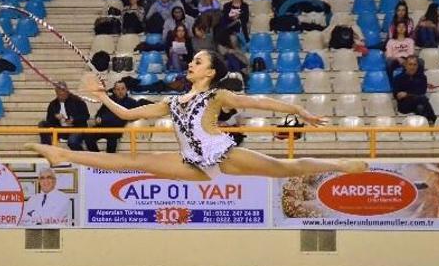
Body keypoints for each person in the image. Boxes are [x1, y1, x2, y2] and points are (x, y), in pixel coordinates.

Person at [26, 50, 368, 182]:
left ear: (211, 71)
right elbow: (127, 112)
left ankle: (338, 166)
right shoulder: (173, 103)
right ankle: (61, 153)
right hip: (191, 163)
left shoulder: (217, 94)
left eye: (199, 61)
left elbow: (259, 102)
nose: (191, 63)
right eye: (192, 60)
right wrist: (101, 95)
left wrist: (297, 109)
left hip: (225, 155)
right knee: (133, 161)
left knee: (284, 170)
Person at [86, 81, 138, 153]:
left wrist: (103, 120)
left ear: (126, 90)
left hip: (116, 128)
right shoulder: (109, 99)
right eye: (118, 89)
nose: (120, 91)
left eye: (123, 89)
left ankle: (109, 162)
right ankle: (99, 158)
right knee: (88, 136)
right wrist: (98, 117)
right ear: (114, 91)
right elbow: (100, 112)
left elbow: (125, 118)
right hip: (102, 127)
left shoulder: (131, 102)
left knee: (112, 140)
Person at [38, 82, 90, 151]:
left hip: (75, 128)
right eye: (59, 94)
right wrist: (55, 117)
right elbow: (49, 120)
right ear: (56, 93)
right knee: (42, 124)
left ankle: (82, 155)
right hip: (60, 129)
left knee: (72, 142)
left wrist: (74, 119)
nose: (62, 95)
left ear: (67, 91)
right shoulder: (53, 104)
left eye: (64, 93)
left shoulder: (77, 101)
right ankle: (47, 150)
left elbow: (86, 116)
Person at [393, 55, 437, 124]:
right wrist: (411, 94)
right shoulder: (398, 78)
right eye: (410, 64)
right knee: (422, 99)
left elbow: (421, 92)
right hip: (404, 105)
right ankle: (434, 120)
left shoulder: (422, 78)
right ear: (405, 65)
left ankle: (425, 126)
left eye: (414, 65)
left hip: (418, 102)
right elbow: (396, 95)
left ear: (417, 66)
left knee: (420, 108)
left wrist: (406, 94)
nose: (412, 67)